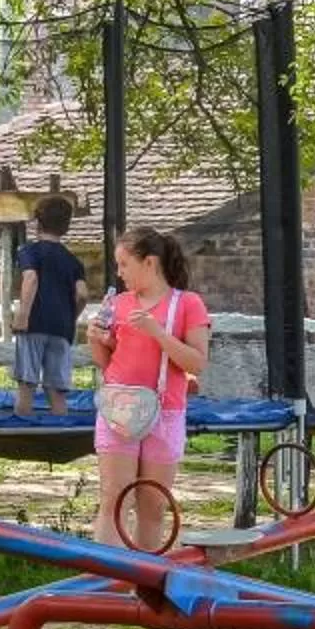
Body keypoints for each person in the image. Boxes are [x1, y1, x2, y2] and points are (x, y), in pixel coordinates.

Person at [85, 225, 211, 551]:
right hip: (120, 405)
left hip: (165, 410)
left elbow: (196, 363)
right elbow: (104, 360)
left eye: (124, 264)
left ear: (150, 264)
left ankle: (143, 583)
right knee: (114, 496)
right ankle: (107, 581)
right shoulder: (120, 303)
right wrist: (95, 339)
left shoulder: (187, 304)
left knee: (152, 504)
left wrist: (158, 332)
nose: (119, 272)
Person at [10, 194, 90, 417]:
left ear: (38, 222)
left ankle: (22, 437)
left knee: (26, 384)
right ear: (66, 226)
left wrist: (22, 315)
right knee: (57, 390)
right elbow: (82, 294)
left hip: (34, 324)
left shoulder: (29, 251)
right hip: (61, 328)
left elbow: (31, 279)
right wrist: (71, 316)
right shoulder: (73, 260)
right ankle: (59, 436)